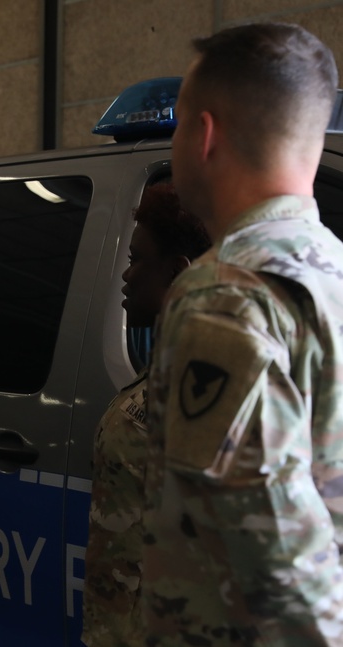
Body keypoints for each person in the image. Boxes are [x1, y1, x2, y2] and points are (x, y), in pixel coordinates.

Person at [142, 22, 343, 645]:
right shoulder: (332, 268)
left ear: (205, 135)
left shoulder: (225, 294)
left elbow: (271, 547)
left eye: (176, 123)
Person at [82, 183, 210, 646]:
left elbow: (123, 571)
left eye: (137, 259)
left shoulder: (159, 402)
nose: (126, 275)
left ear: (177, 271)